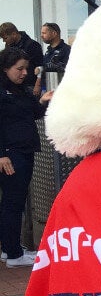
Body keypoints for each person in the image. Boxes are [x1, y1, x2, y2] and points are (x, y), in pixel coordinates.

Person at [0, 48, 52, 267]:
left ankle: (10, 248)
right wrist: (2, 154)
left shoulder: (20, 90)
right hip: (11, 154)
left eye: (26, 69)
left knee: (15, 202)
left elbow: (35, 113)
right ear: (5, 68)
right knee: (13, 203)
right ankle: (13, 255)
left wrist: (44, 101)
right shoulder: (2, 91)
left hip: (25, 151)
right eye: (19, 69)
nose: (24, 73)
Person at [0, 22, 44, 91]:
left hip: (30, 85)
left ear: (14, 34)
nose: (4, 41)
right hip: (13, 85)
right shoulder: (8, 46)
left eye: (5, 38)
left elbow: (40, 66)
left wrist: (37, 85)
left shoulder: (33, 45)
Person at [32, 22, 71, 96]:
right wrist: (38, 84)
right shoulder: (48, 51)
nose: (41, 35)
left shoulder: (67, 50)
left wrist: (42, 68)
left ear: (54, 33)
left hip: (61, 90)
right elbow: (43, 68)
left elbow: (65, 69)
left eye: (44, 33)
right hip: (46, 88)